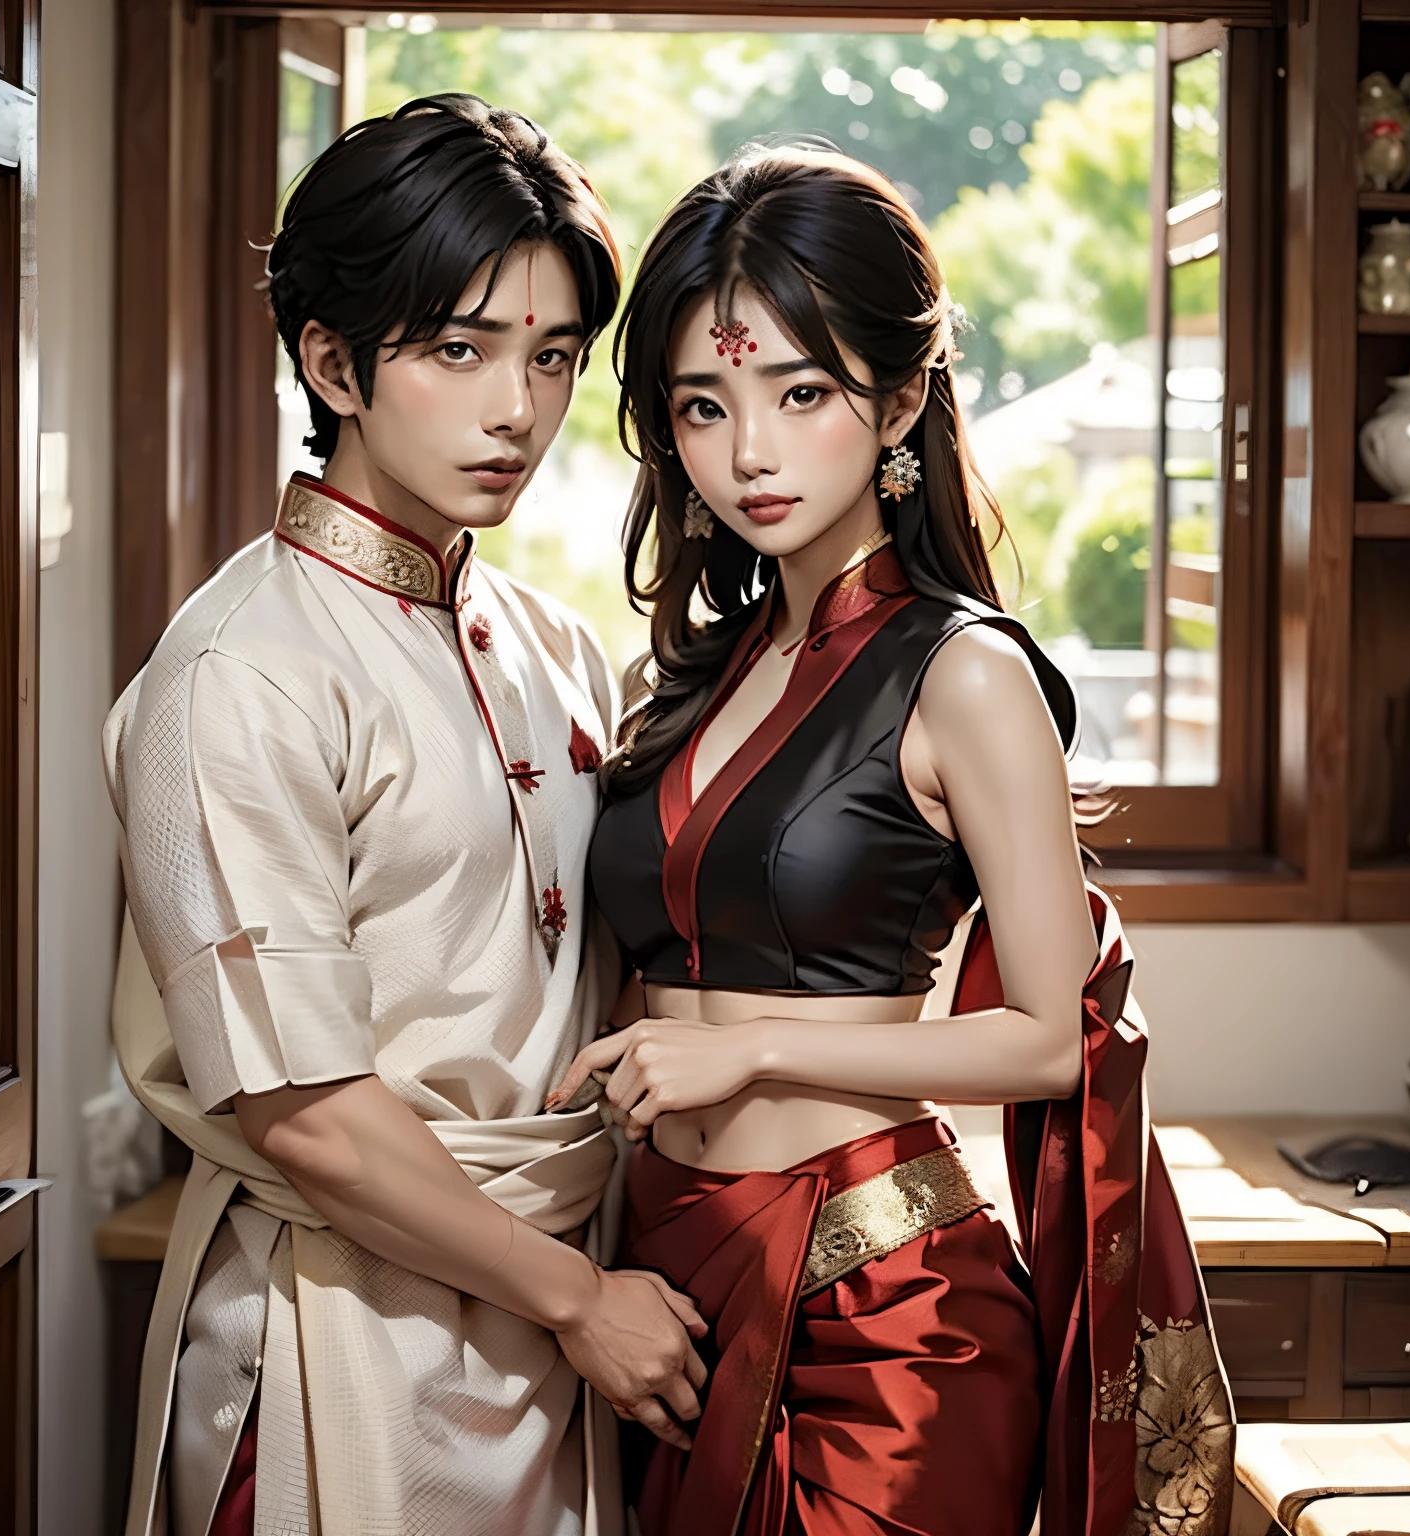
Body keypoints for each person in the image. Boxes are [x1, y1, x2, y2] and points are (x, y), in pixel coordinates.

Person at [552, 146, 1234, 1536]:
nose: (749, 449)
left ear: (902, 396)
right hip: (673, 1285)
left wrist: (753, 1045)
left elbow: (1048, 1038)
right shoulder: (697, 673)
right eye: (704, 404)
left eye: (801, 392)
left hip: (888, 1313)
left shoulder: (962, 672)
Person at [104, 95, 707, 1536]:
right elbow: (309, 1118)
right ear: (333, 362)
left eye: (553, 357)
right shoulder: (238, 672)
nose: (518, 409)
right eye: (459, 349)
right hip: (339, 1333)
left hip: (564, 1330)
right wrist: (580, 1302)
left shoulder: (552, 645)